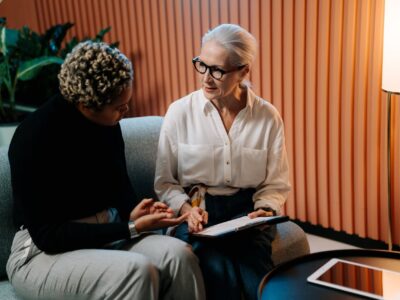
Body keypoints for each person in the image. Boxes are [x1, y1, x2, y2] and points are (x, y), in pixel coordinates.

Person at [7, 41, 205, 300]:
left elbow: (119, 189)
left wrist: (134, 212)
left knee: (180, 256)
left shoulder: (108, 125)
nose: (126, 112)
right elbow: (48, 236)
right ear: (87, 105)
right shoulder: (32, 138)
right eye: (120, 107)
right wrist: (131, 227)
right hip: (40, 253)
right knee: (137, 272)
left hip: (103, 233)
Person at [154, 24, 291, 300]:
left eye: (217, 70)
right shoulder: (179, 113)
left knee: (260, 284)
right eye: (202, 65)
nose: (206, 78)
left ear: (243, 71)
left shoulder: (267, 117)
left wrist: (266, 208)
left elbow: (275, 183)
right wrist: (186, 210)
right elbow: (165, 182)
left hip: (247, 213)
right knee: (220, 276)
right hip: (197, 212)